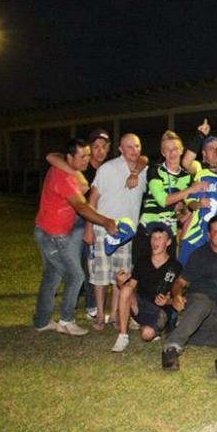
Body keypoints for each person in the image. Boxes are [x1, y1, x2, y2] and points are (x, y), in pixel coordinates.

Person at [34, 138, 117, 335]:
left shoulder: (68, 171)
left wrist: (77, 174)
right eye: (82, 156)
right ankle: (66, 320)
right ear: (69, 157)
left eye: (88, 155)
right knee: (76, 274)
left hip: (46, 230)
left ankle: (42, 321)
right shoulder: (63, 177)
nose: (86, 160)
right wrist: (106, 221)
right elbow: (81, 207)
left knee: (52, 276)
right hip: (53, 235)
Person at [162, 215, 217, 371]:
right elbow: (180, 282)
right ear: (209, 235)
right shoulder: (199, 255)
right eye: (216, 232)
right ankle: (171, 347)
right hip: (198, 301)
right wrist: (177, 295)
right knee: (203, 304)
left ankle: (181, 329)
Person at [84, 133, 148, 331]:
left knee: (120, 276)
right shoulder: (108, 168)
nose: (134, 151)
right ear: (120, 149)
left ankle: (114, 315)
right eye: (129, 147)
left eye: (137, 146)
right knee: (100, 276)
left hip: (126, 233)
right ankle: (100, 315)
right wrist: (89, 229)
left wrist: (136, 173)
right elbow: (92, 199)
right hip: (103, 229)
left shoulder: (143, 169)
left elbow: (144, 161)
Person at [133, 130, 207, 261]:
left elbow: (185, 211)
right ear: (162, 152)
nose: (172, 153)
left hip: (169, 234)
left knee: (168, 278)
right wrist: (189, 190)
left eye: (175, 149)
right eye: (167, 149)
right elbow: (162, 200)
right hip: (147, 232)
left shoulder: (187, 177)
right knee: (142, 277)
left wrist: (194, 206)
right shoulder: (155, 170)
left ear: (181, 150)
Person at [112, 222, 182, 352]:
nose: (155, 241)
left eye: (160, 238)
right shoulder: (142, 261)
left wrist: (168, 301)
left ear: (168, 242)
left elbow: (178, 297)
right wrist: (121, 283)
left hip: (159, 311)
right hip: (140, 306)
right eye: (153, 237)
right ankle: (123, 336)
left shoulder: (175, 266)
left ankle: (153, 328)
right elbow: (131, 286)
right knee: (127, 289)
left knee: (146, 334)